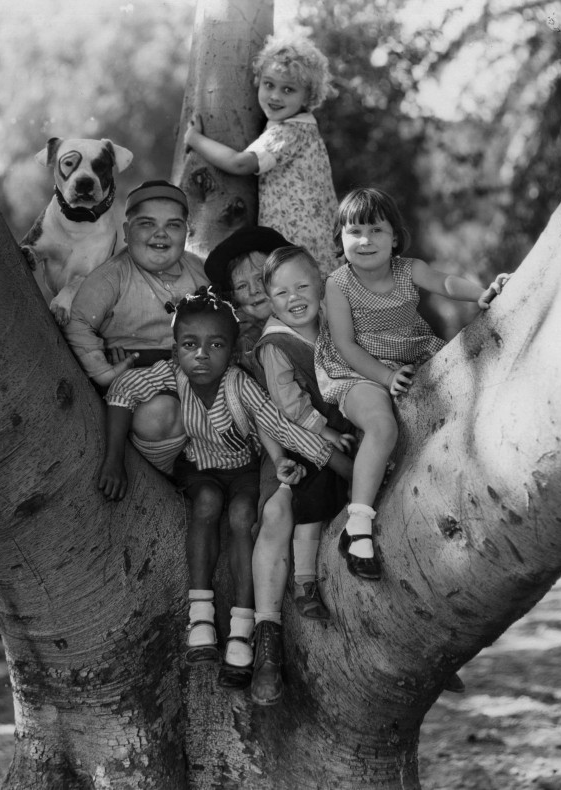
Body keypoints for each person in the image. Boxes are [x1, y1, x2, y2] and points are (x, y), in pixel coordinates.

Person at [97, 287, 341, 690]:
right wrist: (112, 459)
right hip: (199, 472)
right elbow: (122, 391)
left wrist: (343, 465)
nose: (202, 355)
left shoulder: (239, 384)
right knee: (207, 502)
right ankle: (202, 620)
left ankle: (242, 631)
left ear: (233, 350)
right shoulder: (172, 375)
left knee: (245, 514)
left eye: (216, 345)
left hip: (244, 471)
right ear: (175, 350)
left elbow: (282, 428)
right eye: (190, 345)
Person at [315, 187, 509, 581]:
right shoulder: (338, 283)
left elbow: (446, 282)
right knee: (382, 423)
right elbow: (344, 344)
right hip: (355, 366)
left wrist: (482, 293)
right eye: (354, 232)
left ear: (395, 238)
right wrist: (385, 377)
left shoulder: (409, 269)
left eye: (376, 230)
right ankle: (359, 525)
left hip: (411, 351)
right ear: (340, 239)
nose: (365, 240)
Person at [247, 246, 354, 705]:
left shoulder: (335, 325)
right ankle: (303, 582)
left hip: (347, 428)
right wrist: (327, 434)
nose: (294, 298)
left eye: (303, 287)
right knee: (308, 499)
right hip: (303, 442)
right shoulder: (276, 345)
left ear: (323, 283)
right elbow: (289, 406)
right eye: (280, 292)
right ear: (268, 300)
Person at [64, 180, 208, 474]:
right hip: (136, 383)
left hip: (196, 376)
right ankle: (169, 473)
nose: (160, 234)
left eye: (173, 225)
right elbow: (78, 322)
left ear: (187, 232)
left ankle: (203, 467)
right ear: (128, 233)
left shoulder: (198, 270)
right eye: (147, 224)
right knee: (159, 416)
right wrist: (101, 370)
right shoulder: (113, 276)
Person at [184, 33, 338, 277]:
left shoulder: (291, 131)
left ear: (308, 97)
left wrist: (195, 139)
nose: (275, 96)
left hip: (299, 242)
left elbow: (239, 163)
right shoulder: (302, 129)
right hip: (308, 244)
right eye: (269, 84)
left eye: (288, 89)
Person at [202, 225, 292, 362]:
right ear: (232, 296)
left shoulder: (307, 316)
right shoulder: (241, 343)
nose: (253, 290)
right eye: (242, 286)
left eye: (261, 279)